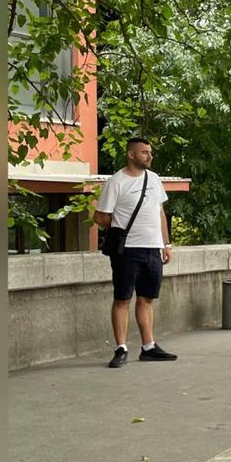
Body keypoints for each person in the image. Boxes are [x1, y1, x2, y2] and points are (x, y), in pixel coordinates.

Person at [92, 137, 178, 369]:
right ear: (131, 155)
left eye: (150, 152)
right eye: (144, 152)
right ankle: (121, 348)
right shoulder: (116, 182)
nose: (150, 156)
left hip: (153, 249)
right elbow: (100, 217)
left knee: (146, 298)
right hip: (127, 250)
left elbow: (160, 212)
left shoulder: (154, 179)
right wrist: (120, 226)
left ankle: (148, 347)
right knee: (122, 298)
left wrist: (166, 244)